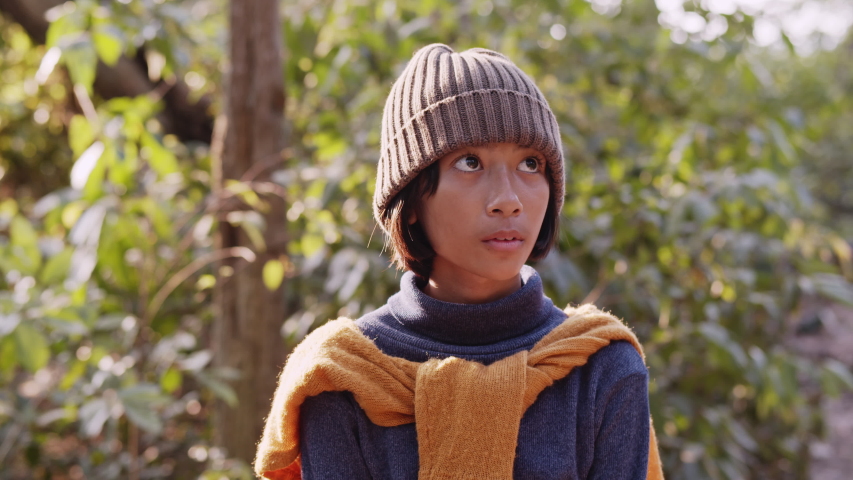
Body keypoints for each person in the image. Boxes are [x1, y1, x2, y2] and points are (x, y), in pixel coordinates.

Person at [254, 44, 663, 480]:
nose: (508, 200)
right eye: (470, 162)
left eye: (530, 163)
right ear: (409, 200)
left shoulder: (600, 368)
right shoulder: (343, 375)